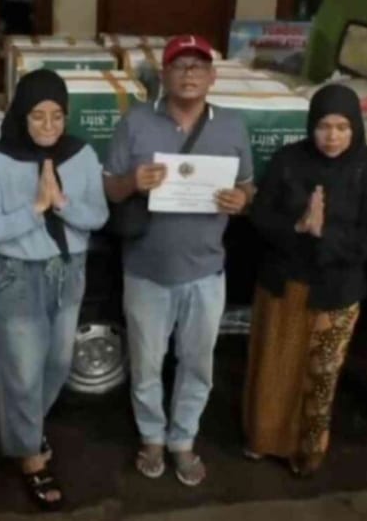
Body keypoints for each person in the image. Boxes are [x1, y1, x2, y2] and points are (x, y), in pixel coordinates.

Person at [103, 35, 255, 487]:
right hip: (146, 270)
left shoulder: (232, 125)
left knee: (197, 364)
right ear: (163, 75)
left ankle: (183, 440)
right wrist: (132, 181)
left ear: (212, 76)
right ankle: (151, 436)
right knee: (146, 364)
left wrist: (241, 199)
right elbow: (109, 187)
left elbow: (249, 185)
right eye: (179, 65)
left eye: (198, 66)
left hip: (206, 271)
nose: (189, 74)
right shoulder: (135, 122)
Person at [0, 69, 108, 510]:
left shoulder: (82, 155)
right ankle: (29, 454)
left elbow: (99, 216)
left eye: (57, 116)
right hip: (19, 275)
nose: (49, 125)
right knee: (22, 372)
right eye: (37, 115)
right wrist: (35, 208)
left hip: (69, 271)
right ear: (21, 115)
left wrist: (62, 203)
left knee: (58, 363)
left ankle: (26, 427)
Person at [244, 84, 367, 476]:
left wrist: (324, 234)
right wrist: (297, 226)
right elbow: (260, 215)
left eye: (342, 127)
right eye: (324, 126)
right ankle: (263, 440)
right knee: (273, 368)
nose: (332, 137)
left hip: (336, 292)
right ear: (311, 125)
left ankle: (306, 452)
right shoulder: (288, 160)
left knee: (320, 376)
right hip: (283, 284)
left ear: (355, 127)